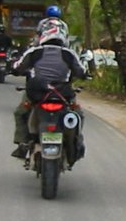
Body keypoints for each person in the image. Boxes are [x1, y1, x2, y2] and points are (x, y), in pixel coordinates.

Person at [10, 19, 87, 158]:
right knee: (78, 114)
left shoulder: (34, 52)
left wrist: (14, 68)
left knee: (21, 113)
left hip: (37, 94)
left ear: (43, 34)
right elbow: (81, 72)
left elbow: (18, 68)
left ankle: (22, 144)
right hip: (62, 94)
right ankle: (76, 144)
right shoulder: (69, 54)